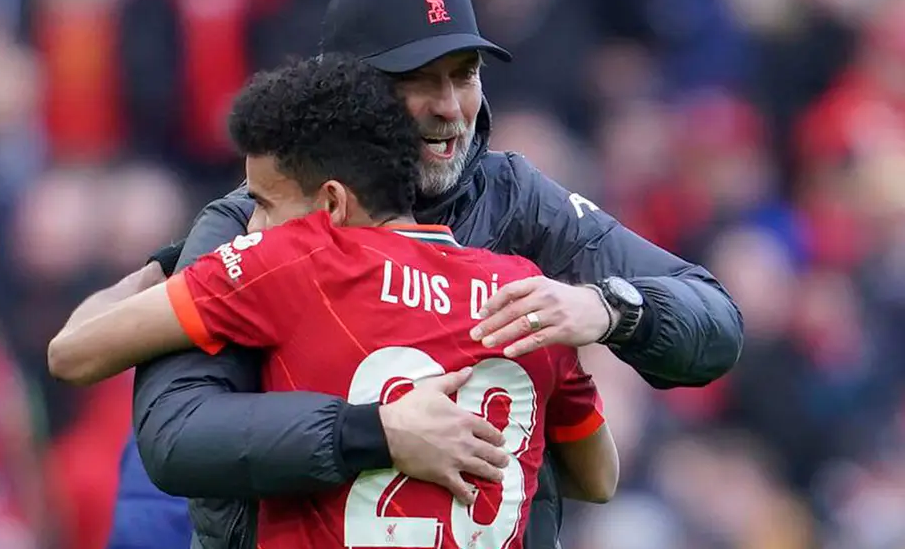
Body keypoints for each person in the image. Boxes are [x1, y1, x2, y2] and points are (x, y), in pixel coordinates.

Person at [103, 0, 743, 547]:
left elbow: (715, 322)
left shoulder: (518, 203)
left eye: (464, 75)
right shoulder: (255, 215)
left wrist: (608, 310)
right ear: (350, 96)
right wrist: (373, 432)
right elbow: (174, 434)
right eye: (417, 81)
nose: (450, 108)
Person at [50, 55, 619, 549]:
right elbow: (599, 478)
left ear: (331, 205)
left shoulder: (294, 262)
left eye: (265, 204)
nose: (250, 225)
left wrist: (159, 268)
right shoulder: (521, 292)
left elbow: (72, 352)